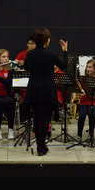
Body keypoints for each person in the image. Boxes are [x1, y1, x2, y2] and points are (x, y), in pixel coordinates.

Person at [23, 28, 68, 156]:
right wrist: (65, 50)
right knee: (44, 119)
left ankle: (40, 145)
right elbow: (64, 65)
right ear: (46, 40)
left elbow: (25, 67)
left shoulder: (30, 54)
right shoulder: (51, 54)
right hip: (47, 90)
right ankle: (41, 148)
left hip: (33, 90)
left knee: (37, 118)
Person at [72, 59, 95, 142]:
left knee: (91, 114)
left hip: (94, 103)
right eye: (87, 67)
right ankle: (79, 135)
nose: (87, 69)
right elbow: (78, 89)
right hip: (83, 102)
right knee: (81, 116)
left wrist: (87, 93)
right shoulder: (84, 79)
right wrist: (76, 95)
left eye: (90, 67)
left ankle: (91, 135)